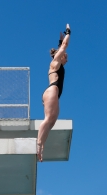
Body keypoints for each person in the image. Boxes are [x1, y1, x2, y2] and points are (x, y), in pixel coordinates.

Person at [37, 24, 71, 162]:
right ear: (60, 56)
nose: (66, 58)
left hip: (54, 93)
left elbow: (61, 48)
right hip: (52, 90)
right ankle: (38, 143)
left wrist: (59, 43)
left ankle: (42, 145)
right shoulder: (55, 63)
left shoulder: (59, 63)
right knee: (48, 118)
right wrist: (68, 32)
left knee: (53, 120)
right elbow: (64, 47)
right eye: (65, 56)